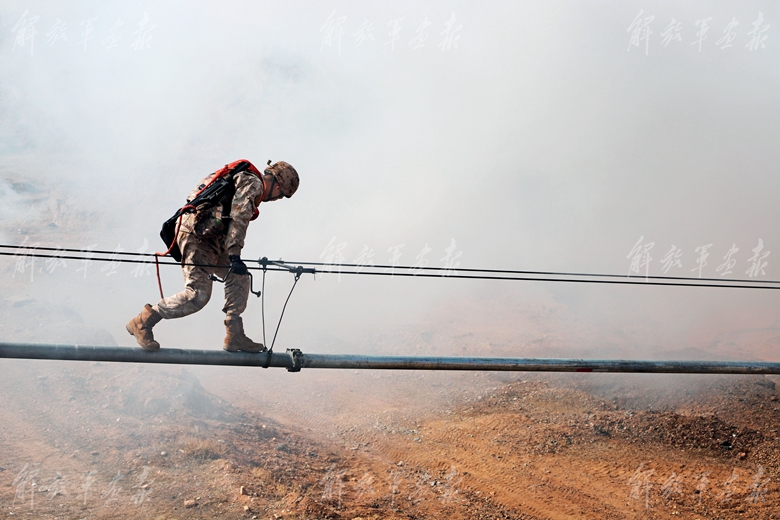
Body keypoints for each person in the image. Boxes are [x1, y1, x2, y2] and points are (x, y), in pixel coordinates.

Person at [126, 160, 299, 353]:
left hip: (209, 236)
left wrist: (233, 258)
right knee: (197, 294)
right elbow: (239, 217)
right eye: (281, 195)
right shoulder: (253, 183)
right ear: (278, 185)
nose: (276, 199)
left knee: (239, 277)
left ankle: (234, 334)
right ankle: (143, 321)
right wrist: (235, 255)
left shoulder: (240, 177)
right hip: (197, 235)